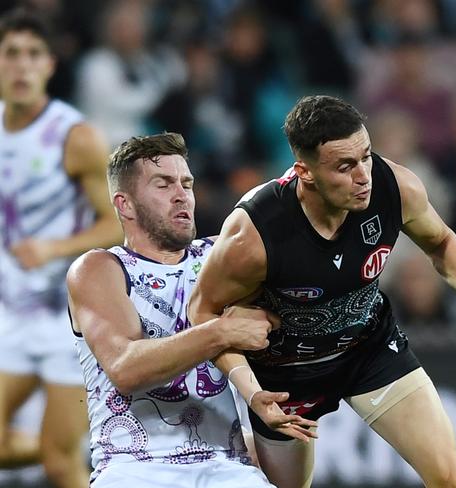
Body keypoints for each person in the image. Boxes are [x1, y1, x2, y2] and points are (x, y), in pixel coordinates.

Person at [188, 95, 456, 488]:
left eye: (366, 156)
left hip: (369, 348)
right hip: (287, 376)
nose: (364, 176)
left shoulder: (397, 187)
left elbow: (441, 241)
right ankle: (240, 455)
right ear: (304, 171)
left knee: (450, 476)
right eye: (345, 166)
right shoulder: (253, 234)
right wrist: (252, 393)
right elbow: (203, 312)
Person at [66, 133, 312, 488]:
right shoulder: (99, 268)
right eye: (163, 185)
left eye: (186, 183)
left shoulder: (218, 258)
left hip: (225, 465)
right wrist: (221, 331)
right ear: (125, 205)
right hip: (133, 467)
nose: (182, 195)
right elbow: (125, 368)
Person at [0, 9, 122, 488]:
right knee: (54, 453)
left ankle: (76, 451)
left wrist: (56, 248)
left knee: (58, 466)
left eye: (34, 55)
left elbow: (117, 223)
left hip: (67, 321)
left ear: (50, 65)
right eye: (11, 54)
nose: (22, 66)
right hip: (12, 315)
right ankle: (118, 451)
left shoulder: (76, 138)